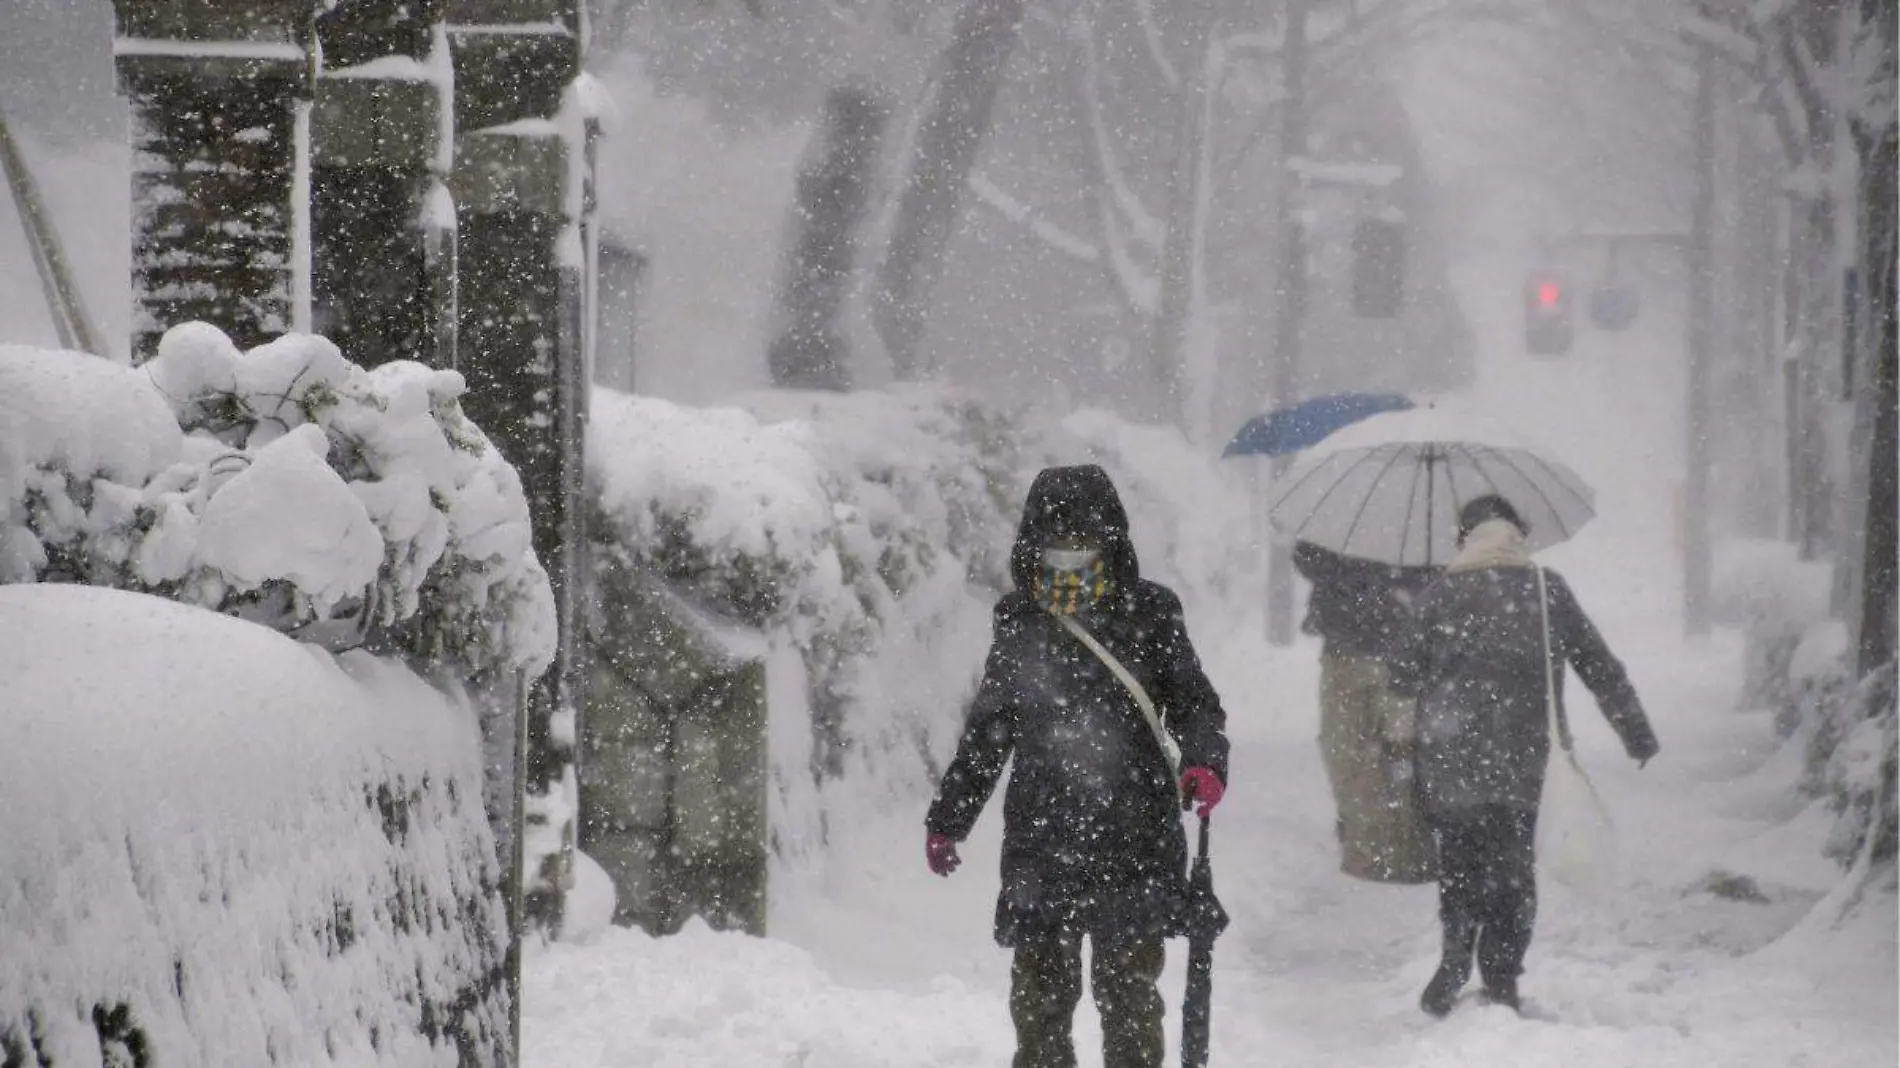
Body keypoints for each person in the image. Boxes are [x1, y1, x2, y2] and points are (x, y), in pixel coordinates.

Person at [924, 464, 1230, 1068]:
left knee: (1127, 1000)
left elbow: (1195, 703)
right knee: (1042, 1004)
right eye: (1058, 533)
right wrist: (949, 818)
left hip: (1128, 839)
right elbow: (991, 729)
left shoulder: (1150, 610)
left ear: (1110, 533)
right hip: (1047, 841)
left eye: (1082, 533)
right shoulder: (1020, 619)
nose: (1070, 546)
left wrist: (1205, 761)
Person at [1389, 494, 1659, 1016]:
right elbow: (1598, 665)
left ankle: (1454, 956)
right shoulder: (1545, 589)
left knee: (1461, 865)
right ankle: (1502, 977)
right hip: (1522, 759)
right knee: (1512, 871)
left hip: (1448, 757)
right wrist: (1636, 732)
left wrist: (1404, 749)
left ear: (1465, 537)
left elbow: (1401, 677)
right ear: (1517, 533)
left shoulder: (1439, 594)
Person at [1293, 541, 1440, 883]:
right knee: (1343, 748)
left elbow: (1441, 573)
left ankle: (1407, 852)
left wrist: (1396, 581)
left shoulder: (1421, 512)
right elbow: (1307, 557)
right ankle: (1367, 843)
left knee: (1401, 750)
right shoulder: (1346, 516)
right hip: (1346, 645)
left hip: (1403, 648)